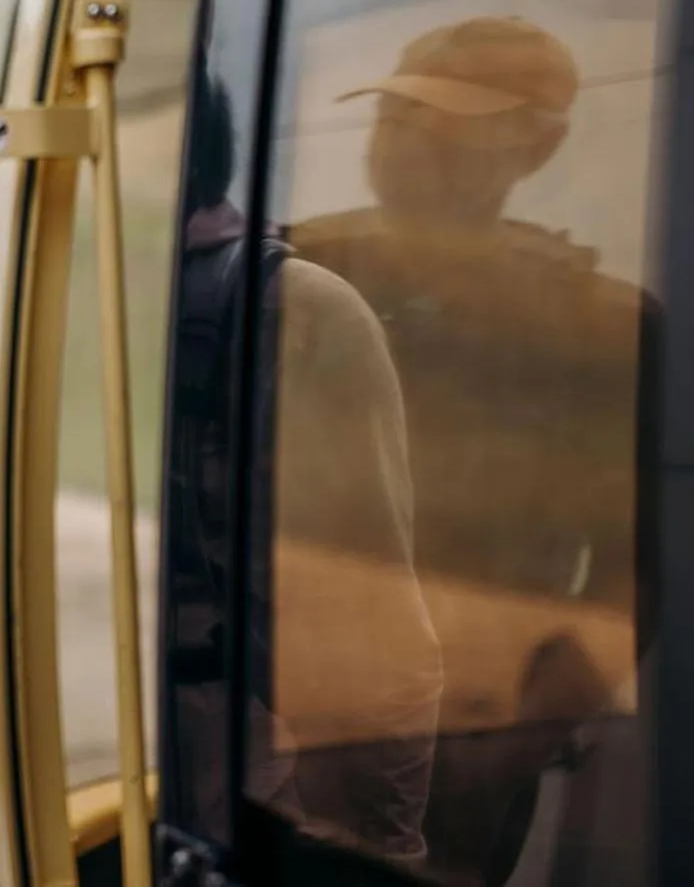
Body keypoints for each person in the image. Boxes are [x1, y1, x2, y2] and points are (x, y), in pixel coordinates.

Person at [289, 17, 645, 882]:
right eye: (394, 117)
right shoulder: (295, 275)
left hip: (474, 724)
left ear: (536, 146)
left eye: (447, 124)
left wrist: (526, 728)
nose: (408, 146)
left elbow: (637, 558)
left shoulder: (601, 327)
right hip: (296, 708)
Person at [164, 70, 441, 872]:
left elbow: (374, 620)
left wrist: (381, 851)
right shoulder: (99, 301)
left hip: (253, 799)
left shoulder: (296, 310)